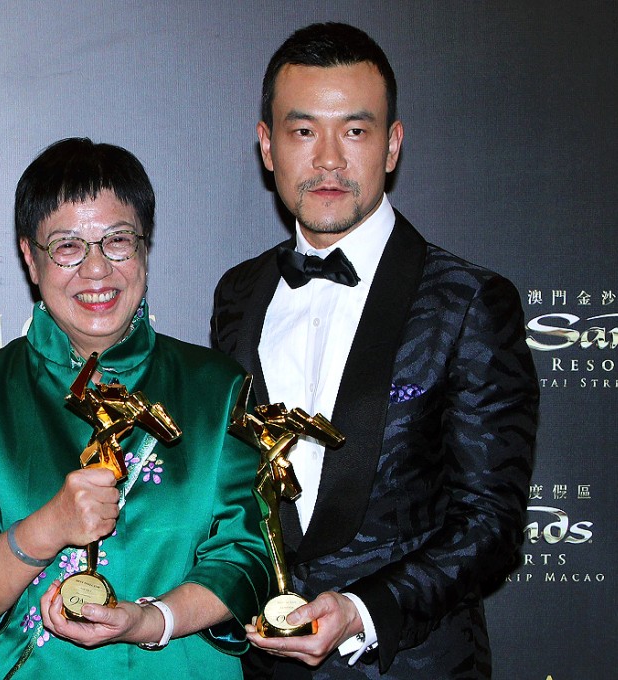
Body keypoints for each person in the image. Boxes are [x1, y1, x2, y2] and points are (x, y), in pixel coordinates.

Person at [211, 22, 539, 680]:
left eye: (354, 131)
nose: (328, 160)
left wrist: (361, 611)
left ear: (391, 145)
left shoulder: (470, 300)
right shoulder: (239, 293)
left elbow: (491, 525)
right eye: (303, 131)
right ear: (267, 146)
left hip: (412, 666)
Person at [0, 138, 271, 679]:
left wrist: (148, 620)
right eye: (67, 246)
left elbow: (248, 560)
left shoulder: (215, 388)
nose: (95, 270)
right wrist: (50, 526)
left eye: (117, 241)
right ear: (30, 259)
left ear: (145, 247)